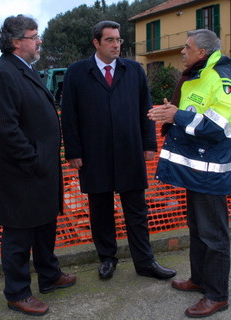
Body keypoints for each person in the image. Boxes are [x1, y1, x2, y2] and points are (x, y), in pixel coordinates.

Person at [61, 20, 176, 281]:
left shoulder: (134, 70)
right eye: (110, 40)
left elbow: (145, 110)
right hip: (94, 154)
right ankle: (107, 259)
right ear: (96, 43)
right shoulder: (77, 73)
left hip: (129, 151)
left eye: (119, 40)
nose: (116, 45)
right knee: (100, 211)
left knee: (136, 211)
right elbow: (70, 116)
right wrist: (74, 152)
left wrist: (149, 145)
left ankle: (145, 262)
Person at [0, 15, 76, 317]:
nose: (39, 41)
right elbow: (6, 129)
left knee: (44, 227)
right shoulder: (3, 75)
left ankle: (49, 276)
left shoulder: (25, 69)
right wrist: (34, 161)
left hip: (39, 172)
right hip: (21, 175)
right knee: (19, 237)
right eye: (34, 36)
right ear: (15, 42)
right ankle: (17, 293)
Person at [147, 29, 231, 318]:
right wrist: (175, 112)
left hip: (210, 172)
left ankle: (218, 295)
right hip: (196, 170)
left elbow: (218, 127)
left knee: (214, 235)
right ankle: (200, 280)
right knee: (197, 230)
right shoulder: (199, 74)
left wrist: (176, 116)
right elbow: (195, 112)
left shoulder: (222, 77)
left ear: (202, 53)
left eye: (187, 47)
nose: (182, 51)